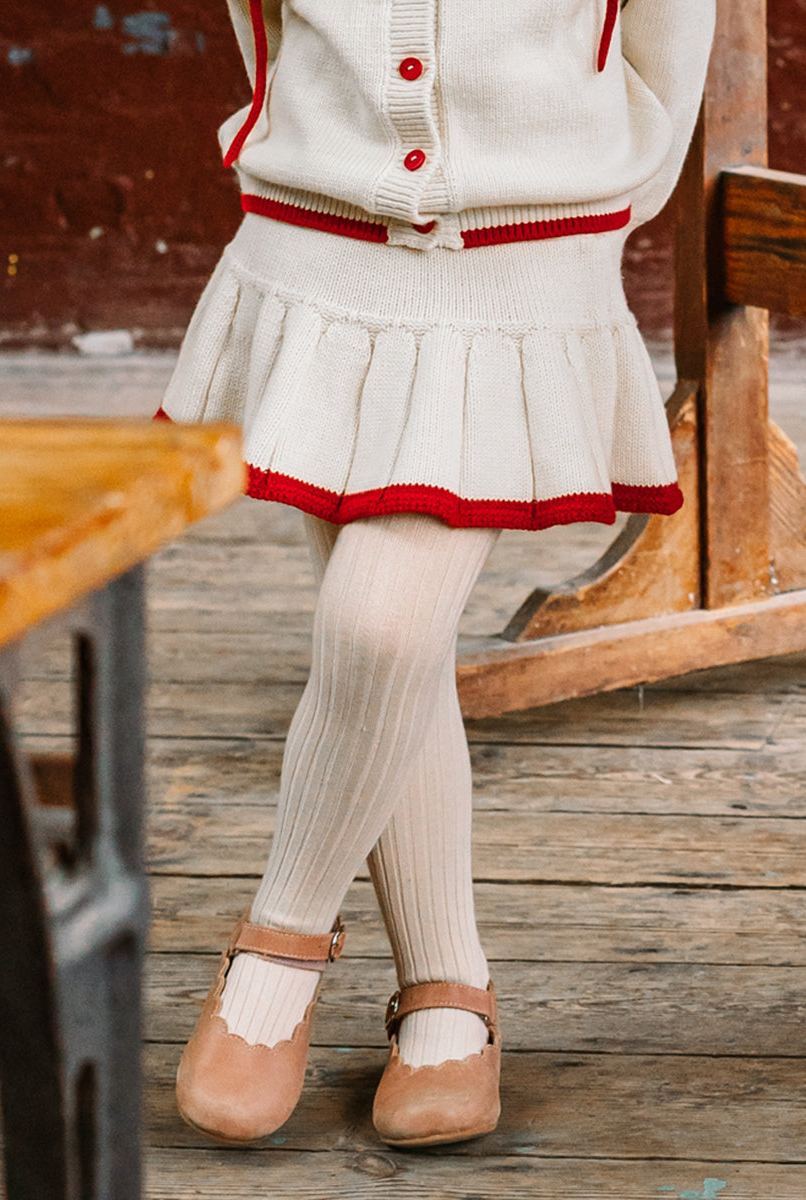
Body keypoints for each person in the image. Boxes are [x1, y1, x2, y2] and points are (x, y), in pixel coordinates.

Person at [157, 0, 716, 1148]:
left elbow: (666, 46)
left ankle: (278, 941)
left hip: (526, 249)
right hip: (316, 240)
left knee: (376, 629)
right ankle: (446, 986)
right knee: (394, 655)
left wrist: (582, 199)